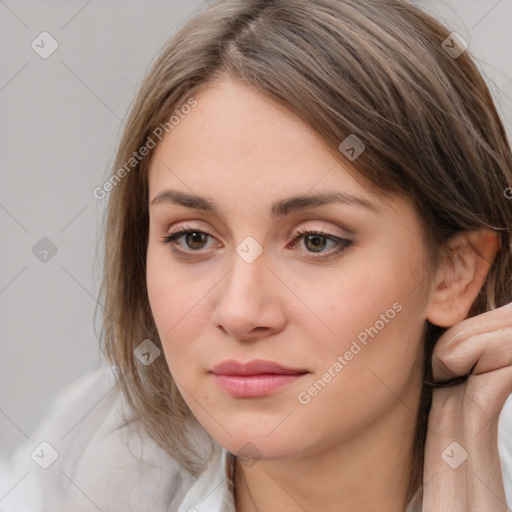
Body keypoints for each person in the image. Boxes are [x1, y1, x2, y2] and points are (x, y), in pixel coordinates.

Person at [2, 0, 512, 511]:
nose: (240, 312)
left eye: (316, 240)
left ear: (455, 271)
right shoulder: (88, 456)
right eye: (194, 238)